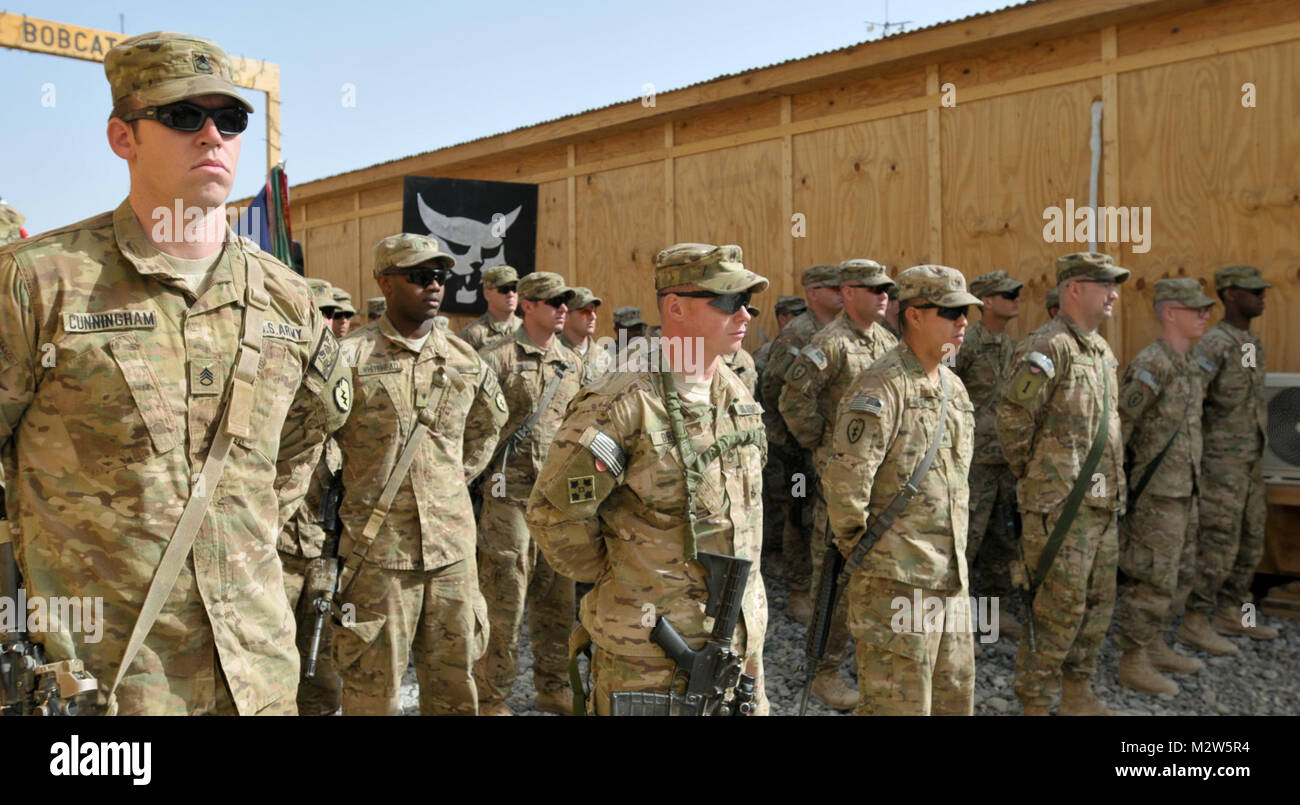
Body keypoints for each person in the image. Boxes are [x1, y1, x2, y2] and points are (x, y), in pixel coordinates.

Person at [0, 31, 351, 715]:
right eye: (184, 116)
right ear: (122, 137)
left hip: (257, 680)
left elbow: (297, 449)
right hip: (107, 690)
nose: (212, 135)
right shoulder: (39, 285)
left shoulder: (288, 299)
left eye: (231, 118)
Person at [526, 242, 770, 716]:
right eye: (727, 300)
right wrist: (626, 575)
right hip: (652, 656)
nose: (743, 314)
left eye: (748, 302)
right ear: (675, 306)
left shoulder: (734, 389)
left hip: (739, 644)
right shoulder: (623, 401)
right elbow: (553, 517)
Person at [331, 233, 506, 715]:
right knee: (372, 692)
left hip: (452, 554)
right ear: (385, 283)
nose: (433, 286)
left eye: (440, 277)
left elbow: (485, 431)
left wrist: (446, 485)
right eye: (419, 276)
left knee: (455, 691)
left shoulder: (465, 360)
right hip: (378, 556)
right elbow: (317, 445)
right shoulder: (348, 360)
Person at [823, 264, 980, 716]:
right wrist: (868, 554)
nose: (962, 323)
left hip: (950, 579)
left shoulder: (953, 387)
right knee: (899, 705)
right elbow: (845, 485)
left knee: (953, 698)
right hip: (897, 583)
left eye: (965, 313)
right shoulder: (882, 386)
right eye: (950, 313)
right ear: (913, 315)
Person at [996, 252, 1128, 716]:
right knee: (1054, 608)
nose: (1113, 294)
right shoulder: (1048, 347)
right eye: (1103, 284)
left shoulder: (1100, 350)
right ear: (1074, 288)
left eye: (1115, 285)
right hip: (1059, 507)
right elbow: (1013, 417)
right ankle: (1035, 700)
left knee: (1096, 605)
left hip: (1101, 504)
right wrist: (1033, 475)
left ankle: (1077, 691)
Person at [778, 258, 898, 711]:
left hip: (881, 483)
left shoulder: (887, 341)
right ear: (848, 293)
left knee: (875, 575)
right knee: (834, 577)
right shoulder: (829, 344)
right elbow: (793, 400)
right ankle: (824, 670)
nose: (882, 294)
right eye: (872, 288)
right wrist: (823, 449)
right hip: (842, 484)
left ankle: (868, 663)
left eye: (886, 287)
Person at [474, 272, 583, 716]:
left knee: (558, 603)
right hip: (508, 500)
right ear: (529, 307)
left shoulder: (573, 364)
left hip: (558, 504)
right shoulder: (495, 359)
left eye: (565, 301)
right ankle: (492, 696)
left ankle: (554, 686)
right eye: (552, 300)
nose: (562, 308)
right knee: (504, 603)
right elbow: (472, 426)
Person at [1113, 278, 1215, 695]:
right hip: (1156, 494)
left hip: (1184, 489)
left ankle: (1155, 644)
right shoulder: (1152, 365)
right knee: (1150, 577)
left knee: (1179, 572)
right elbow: (1123, 427)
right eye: (1196, 309)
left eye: (1206, 308)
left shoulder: (1189, 364)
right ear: (1169, 313)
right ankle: (1132, 660)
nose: (1206, 315)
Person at [1182, 265, 1279, 648]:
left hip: (1249, 464)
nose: (1262, 297)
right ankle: (1194, 620)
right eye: (1252, 291)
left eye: (1262, 290)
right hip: (1219, 466)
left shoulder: (1251, 345)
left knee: (1251, 540)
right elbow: (1193, 402)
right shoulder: (1213, 345)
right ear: (1229, 295)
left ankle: (1237, 614)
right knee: (1217, 545)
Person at [277, 277, 351, 715]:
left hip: (326, 547)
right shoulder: (277, 376)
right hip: (280, 546)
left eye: (340, 315)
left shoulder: (348, 376)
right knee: (274, 656)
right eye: (325, 314)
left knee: (323, 665)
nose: (333, 323)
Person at [758, 265, 843, 624]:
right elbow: (773, 390)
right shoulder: (797, 334)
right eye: (833, 287)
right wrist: (800, 436)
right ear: (813, 292)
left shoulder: (842, 331)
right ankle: (798, 589)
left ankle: (831, 588)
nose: (842, 293)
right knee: (800, 515)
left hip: (835, 450)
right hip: (796, 449)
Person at [954, 270, 1023, 639]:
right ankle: (959, 624)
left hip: (1005, 460)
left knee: (1003, 542)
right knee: (966, 543)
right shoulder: (965, 345)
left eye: (1016, 294)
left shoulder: (1015, 348)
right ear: (987, 302)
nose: (1015, 299)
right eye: (1007, 293)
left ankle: (992, 617)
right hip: (974, 461)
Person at [559, 286, 613, 387]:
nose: (593, 317)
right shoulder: (554, 353)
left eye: (594, 311)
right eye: (586, 311)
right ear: (566, 315)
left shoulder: (604, 358)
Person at [458, 265, 520, 351]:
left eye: (514, 289)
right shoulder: (472, 334)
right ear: (487, 294)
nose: (511, 294)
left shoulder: (527, 330)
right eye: (504, 289)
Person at [752, 295, 806, 376]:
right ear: (782, 319)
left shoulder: (809, 343)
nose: (803, 318)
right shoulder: (767, 351)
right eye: (798, 314)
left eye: (805, 313)